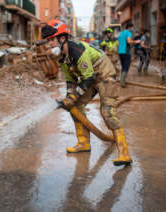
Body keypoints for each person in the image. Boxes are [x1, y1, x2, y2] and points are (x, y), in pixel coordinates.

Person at [41, 20, 132, 166]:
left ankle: (124, 153)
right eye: (48, 40)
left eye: (52, 39)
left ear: (62, 38)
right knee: (74, 106)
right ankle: (83, 143)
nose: (49, 43)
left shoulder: (77, 51)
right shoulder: (62, 59)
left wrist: (74, 96)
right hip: (90, 77)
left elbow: (88, 77)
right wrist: (70, 96)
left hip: (104, 75)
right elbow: (71, 81)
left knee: (107, 111)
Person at [118, 23, 140, 87]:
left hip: (120, 53)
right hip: (126, 52)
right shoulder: (128, 33)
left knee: (123, 66)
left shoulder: (121, 34)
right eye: (132, 28)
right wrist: (136, 42)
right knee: (126, 67)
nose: (133, 29)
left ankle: (122, 80)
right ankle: (122, 82)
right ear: (130, 27)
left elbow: (118, 44)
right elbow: (129, 41)